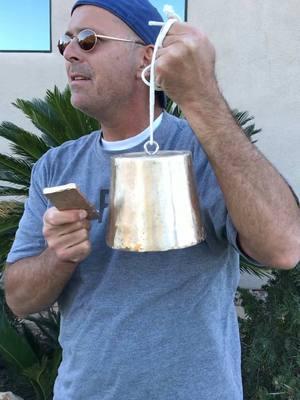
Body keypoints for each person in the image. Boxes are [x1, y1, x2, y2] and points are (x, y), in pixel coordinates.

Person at [4, 0, 300, 399]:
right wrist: (59, 255)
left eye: (89, 40)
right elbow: (19, 299)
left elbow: (285, 248)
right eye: (65, 41)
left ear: (148, 58)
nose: (70, 51)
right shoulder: (55, 166)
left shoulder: (212, 153)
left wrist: (201, 98)